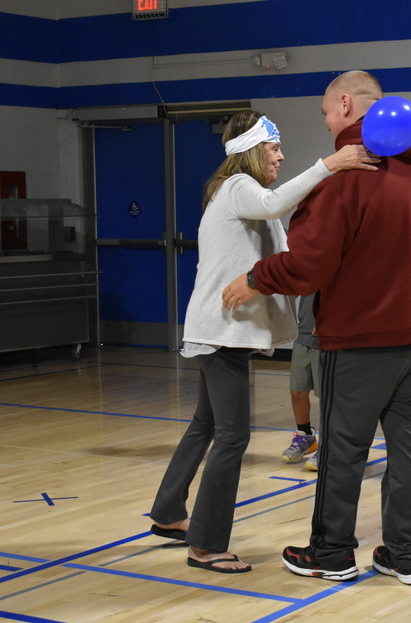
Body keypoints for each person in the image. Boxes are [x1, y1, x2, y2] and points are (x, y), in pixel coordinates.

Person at [222, 70, 411, 585]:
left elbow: (309, 265)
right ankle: (407, 555)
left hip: (360, 335)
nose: (325, 120)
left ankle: (332, 551)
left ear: (343, 104)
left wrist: (257, 276)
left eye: (324, 112)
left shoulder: (342, 176)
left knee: (343, 446)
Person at [148, 110, 378, 574]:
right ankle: (206, 545)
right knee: (234, 437)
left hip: (220, 332)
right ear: (252, 151)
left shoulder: (244, 197)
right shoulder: (239, 189)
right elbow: (275, 203)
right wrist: (329, 165)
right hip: (219, 333)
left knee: (205, 425)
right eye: (274, 148)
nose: (281, 155)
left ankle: (169, 512)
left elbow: (287, 243)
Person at [280, 292, 321, 469]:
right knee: (297, 391)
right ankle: (305, 436)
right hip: (303, 333)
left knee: (327, 396)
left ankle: (330, 444)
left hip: (328, 337)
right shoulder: (311, 265)